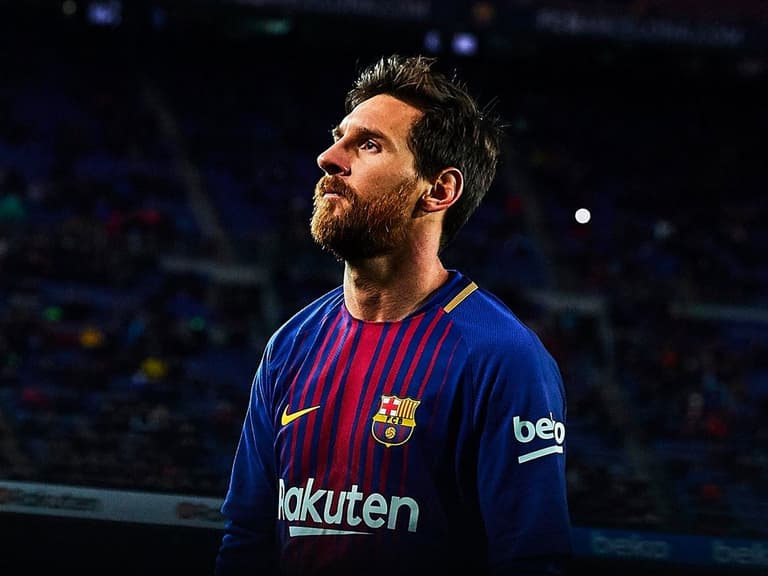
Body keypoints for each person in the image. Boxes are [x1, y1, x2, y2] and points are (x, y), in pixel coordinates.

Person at [214, 53, 573, 575]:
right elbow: (247, 539)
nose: (328, 158)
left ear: (439, 190)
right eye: (339, 137)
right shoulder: (290, 347)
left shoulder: (503, 358)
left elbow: (532, 562)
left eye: (368, 144)